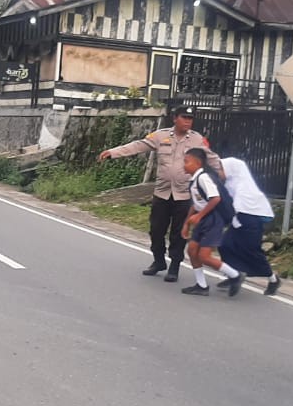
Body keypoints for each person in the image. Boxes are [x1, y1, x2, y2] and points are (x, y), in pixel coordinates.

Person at [98, 105, 222, 282]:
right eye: (184, 117)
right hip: (162, 193)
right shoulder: (160, 136)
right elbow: (138, 145)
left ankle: (174, 267)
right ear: (175, 118)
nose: (188, 121)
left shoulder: (197, 140)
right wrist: (113, 152)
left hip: (184, 195)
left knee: (179, 234)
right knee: (156, 230)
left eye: (190, 118)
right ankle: (158, 261)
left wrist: (223, 172)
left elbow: (212, 158)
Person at [180, 148, 244, 297]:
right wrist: (186, 223)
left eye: (186, 161)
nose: (183, 165)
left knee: (204, 256)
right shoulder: (194, 180)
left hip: (213, 219)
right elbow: (195, 204)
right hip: (203, 218)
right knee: (191, 250)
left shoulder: (204, 178)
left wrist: (199, 216)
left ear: (197, 163)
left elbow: (215, 198)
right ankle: (201, 286)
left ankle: (235, 275)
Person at [216, 156, 281, 296]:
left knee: (252, 251)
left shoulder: (245, 187)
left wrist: (236, 218)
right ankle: (234, 275)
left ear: (231, 170)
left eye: (221, 169)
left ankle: (273, 279)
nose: (219, 172)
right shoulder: (230, 184)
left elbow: (241, 205)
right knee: (224, 245)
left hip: (250, 222)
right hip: (238, 221)